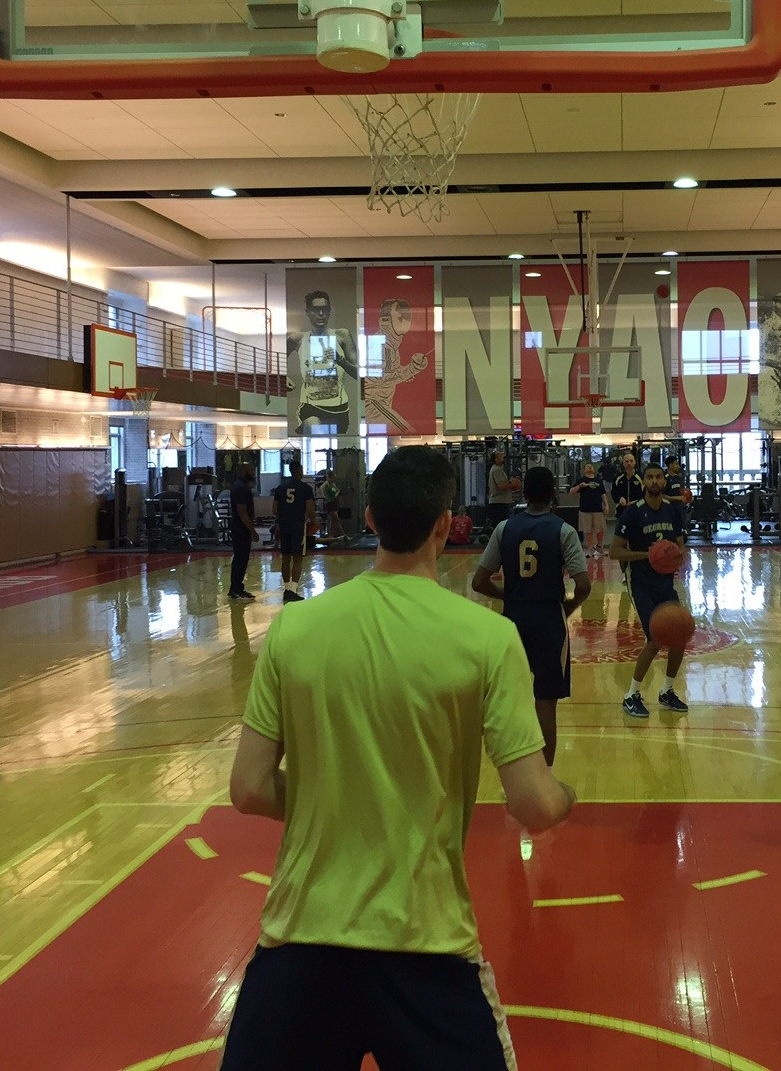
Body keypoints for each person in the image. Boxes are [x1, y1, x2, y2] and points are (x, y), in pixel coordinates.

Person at [223, 446, 574, 1069]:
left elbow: (248, 788)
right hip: (426, 949)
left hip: (299, 947)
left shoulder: (294, 629)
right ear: (446, 525)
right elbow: (536, 805)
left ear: (371, 518)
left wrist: (332, 803)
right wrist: (567, 795)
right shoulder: (489, 638)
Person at [472, 466, 591, 767]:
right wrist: (568, 607)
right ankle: (544, 776)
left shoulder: (504, 528)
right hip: (549, 618)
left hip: (514, 619)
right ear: (553, 493)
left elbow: (479, 582)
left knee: (512, 700)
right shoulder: (564, 530)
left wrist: (509, 597)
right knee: (546, 700)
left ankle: (513, 773)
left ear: (523, 493)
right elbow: (583, 586)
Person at [610, 463, 691, 718]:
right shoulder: (632, 513)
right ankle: (631, 694)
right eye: (650, 477)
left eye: (658, 477)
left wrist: (673, 557)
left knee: (679, 637)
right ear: (644, 481)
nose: (654, 481)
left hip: (665, 583)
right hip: (641, 584)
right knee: (655, 640)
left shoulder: (672, 511)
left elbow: (679, 546)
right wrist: (648, 555)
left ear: (664, 482)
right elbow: (614, 551)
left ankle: (666, 690)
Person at [286, 290, 358, 436]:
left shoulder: (342, 336)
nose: (320, 314)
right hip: (310, 406)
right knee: (316, 431)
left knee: (337, 448)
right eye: (315, 310)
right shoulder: (297, 338)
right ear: (307, 312)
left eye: (324, 309)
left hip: (339, 407)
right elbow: (272, 360)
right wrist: (282, 377)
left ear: (330, 311)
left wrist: (340, 361)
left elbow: (358, 373)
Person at [361, 298, 430, 431]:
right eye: (401, 317)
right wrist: (412, 368)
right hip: (375, 405)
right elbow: (386, 379)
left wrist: (403, 373)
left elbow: (389, 373)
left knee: (386, 437)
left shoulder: (387, 343)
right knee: (409, 433)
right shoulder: (384, 345)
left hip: (381, 403)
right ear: (386, 320)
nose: (406, 321)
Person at [273, 460, 316, 602]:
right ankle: (292, 590)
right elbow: (310, 509)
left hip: (284, 525)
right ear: (298, 470)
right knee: (297, 558)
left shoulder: (280, 488)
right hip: (298, 525)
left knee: (285, 558)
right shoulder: (305, 488)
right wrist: (315, 522)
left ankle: (286, 589)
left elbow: (274, 510)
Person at [229, 467, 258, 602]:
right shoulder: (241, 488)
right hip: (241, 528)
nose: (252, 473)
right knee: (240, 558)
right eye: (250, 471)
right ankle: (235, 589)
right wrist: (252, 530)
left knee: (241, 558)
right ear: (242, 472)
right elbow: (242, 511)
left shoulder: (241, 486)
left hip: (240, 527)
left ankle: (237, 587)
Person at [571, 463, 607, 557]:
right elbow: (571, 492)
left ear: (594, 470)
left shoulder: (599, 480)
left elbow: (603, 494)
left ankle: (599, 546)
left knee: (600, 529)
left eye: (591, 466)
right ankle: (590, 549)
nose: (590, 467)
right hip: (585, 509)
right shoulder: (581, 480)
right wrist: (579, 486)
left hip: (598, 509)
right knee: (588, 530)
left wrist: (606, 505)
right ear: (584, 470)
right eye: (587, 466)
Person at [486, 450, 518, 531]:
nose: (503, 457)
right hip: (499, 503)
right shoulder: (497, 470)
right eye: (500, 456)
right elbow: (502, 486)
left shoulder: (498, 469)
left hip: (500, 502)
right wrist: (513, 484)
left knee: (500, 527)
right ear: (496, 459)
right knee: (501, 527)